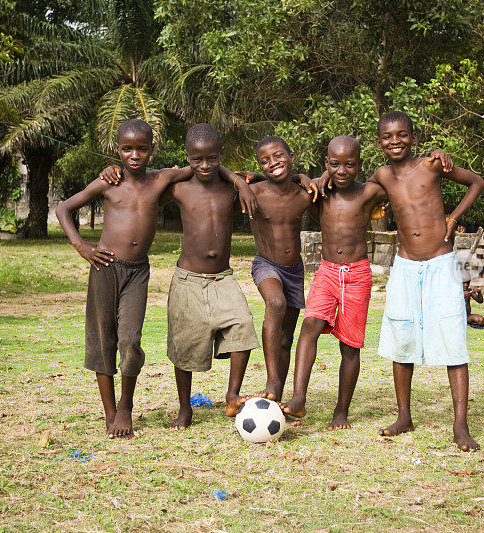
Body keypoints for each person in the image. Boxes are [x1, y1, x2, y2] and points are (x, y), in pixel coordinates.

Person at [55, 118, 196, 439]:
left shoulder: (160, 179)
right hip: (104, 268)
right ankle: (109, 413)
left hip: (137, 272)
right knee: (103, 340)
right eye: (127, 149)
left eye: (142, 149)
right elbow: (64, 208)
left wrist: (241, 180)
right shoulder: (106, 183)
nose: (135, 155)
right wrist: (82, 246)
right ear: (116, 150)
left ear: (152, 150)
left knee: (130, 341)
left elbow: (199, 166)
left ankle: (126, 407)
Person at [370, 110, 484, 451]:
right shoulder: (381, 175)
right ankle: (404, 416)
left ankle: (460, 425)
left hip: (440, 264)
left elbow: (476, 182)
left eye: (402, 134)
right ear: (380, 143)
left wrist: (453, 217)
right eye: (388, 137)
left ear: (414, 138)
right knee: (402, 338)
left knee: (453, 340)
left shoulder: (433, 165)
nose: (395, 141)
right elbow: (354, 191)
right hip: (404, 266)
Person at [281, 136, 388, 430]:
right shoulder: (320, 192)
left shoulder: (369, 192)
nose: (342, 171)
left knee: (350, 347)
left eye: (350, 164)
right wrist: (314, 177)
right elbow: (293, 179)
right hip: (327, 271)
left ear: (359, 165)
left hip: (358, 274)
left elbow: (397, 179)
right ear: (326, 163)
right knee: (310, 324)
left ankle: (341, 412)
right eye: (335, 164)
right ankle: (299, 398)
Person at [163, 123, 261, 430]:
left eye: (212, 158)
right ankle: (184, 408)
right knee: (185, 345)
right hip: (188, 279)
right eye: (197, 159)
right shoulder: (179, 187)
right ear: (188, 157)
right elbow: (145, 184)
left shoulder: (230, 187)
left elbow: (259, 178)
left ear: (221, 155)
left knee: (243, 326)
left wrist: (239, 180)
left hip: (222, 278)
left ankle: (232, 395)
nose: (205, 165)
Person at [239, 136, 317, 402]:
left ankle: (276, 396)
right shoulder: (255, 193)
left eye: (278, 156)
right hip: (266, 265)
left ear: (291, 157)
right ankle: (272, 381)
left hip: (294, 271)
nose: (273, 163)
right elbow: (219, 178)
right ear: (259, 167)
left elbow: (332, 175)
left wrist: (303, 177)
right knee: (275, 303)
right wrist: (240, 182)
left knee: (285, 339)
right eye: (264, 161)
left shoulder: (305, 193)